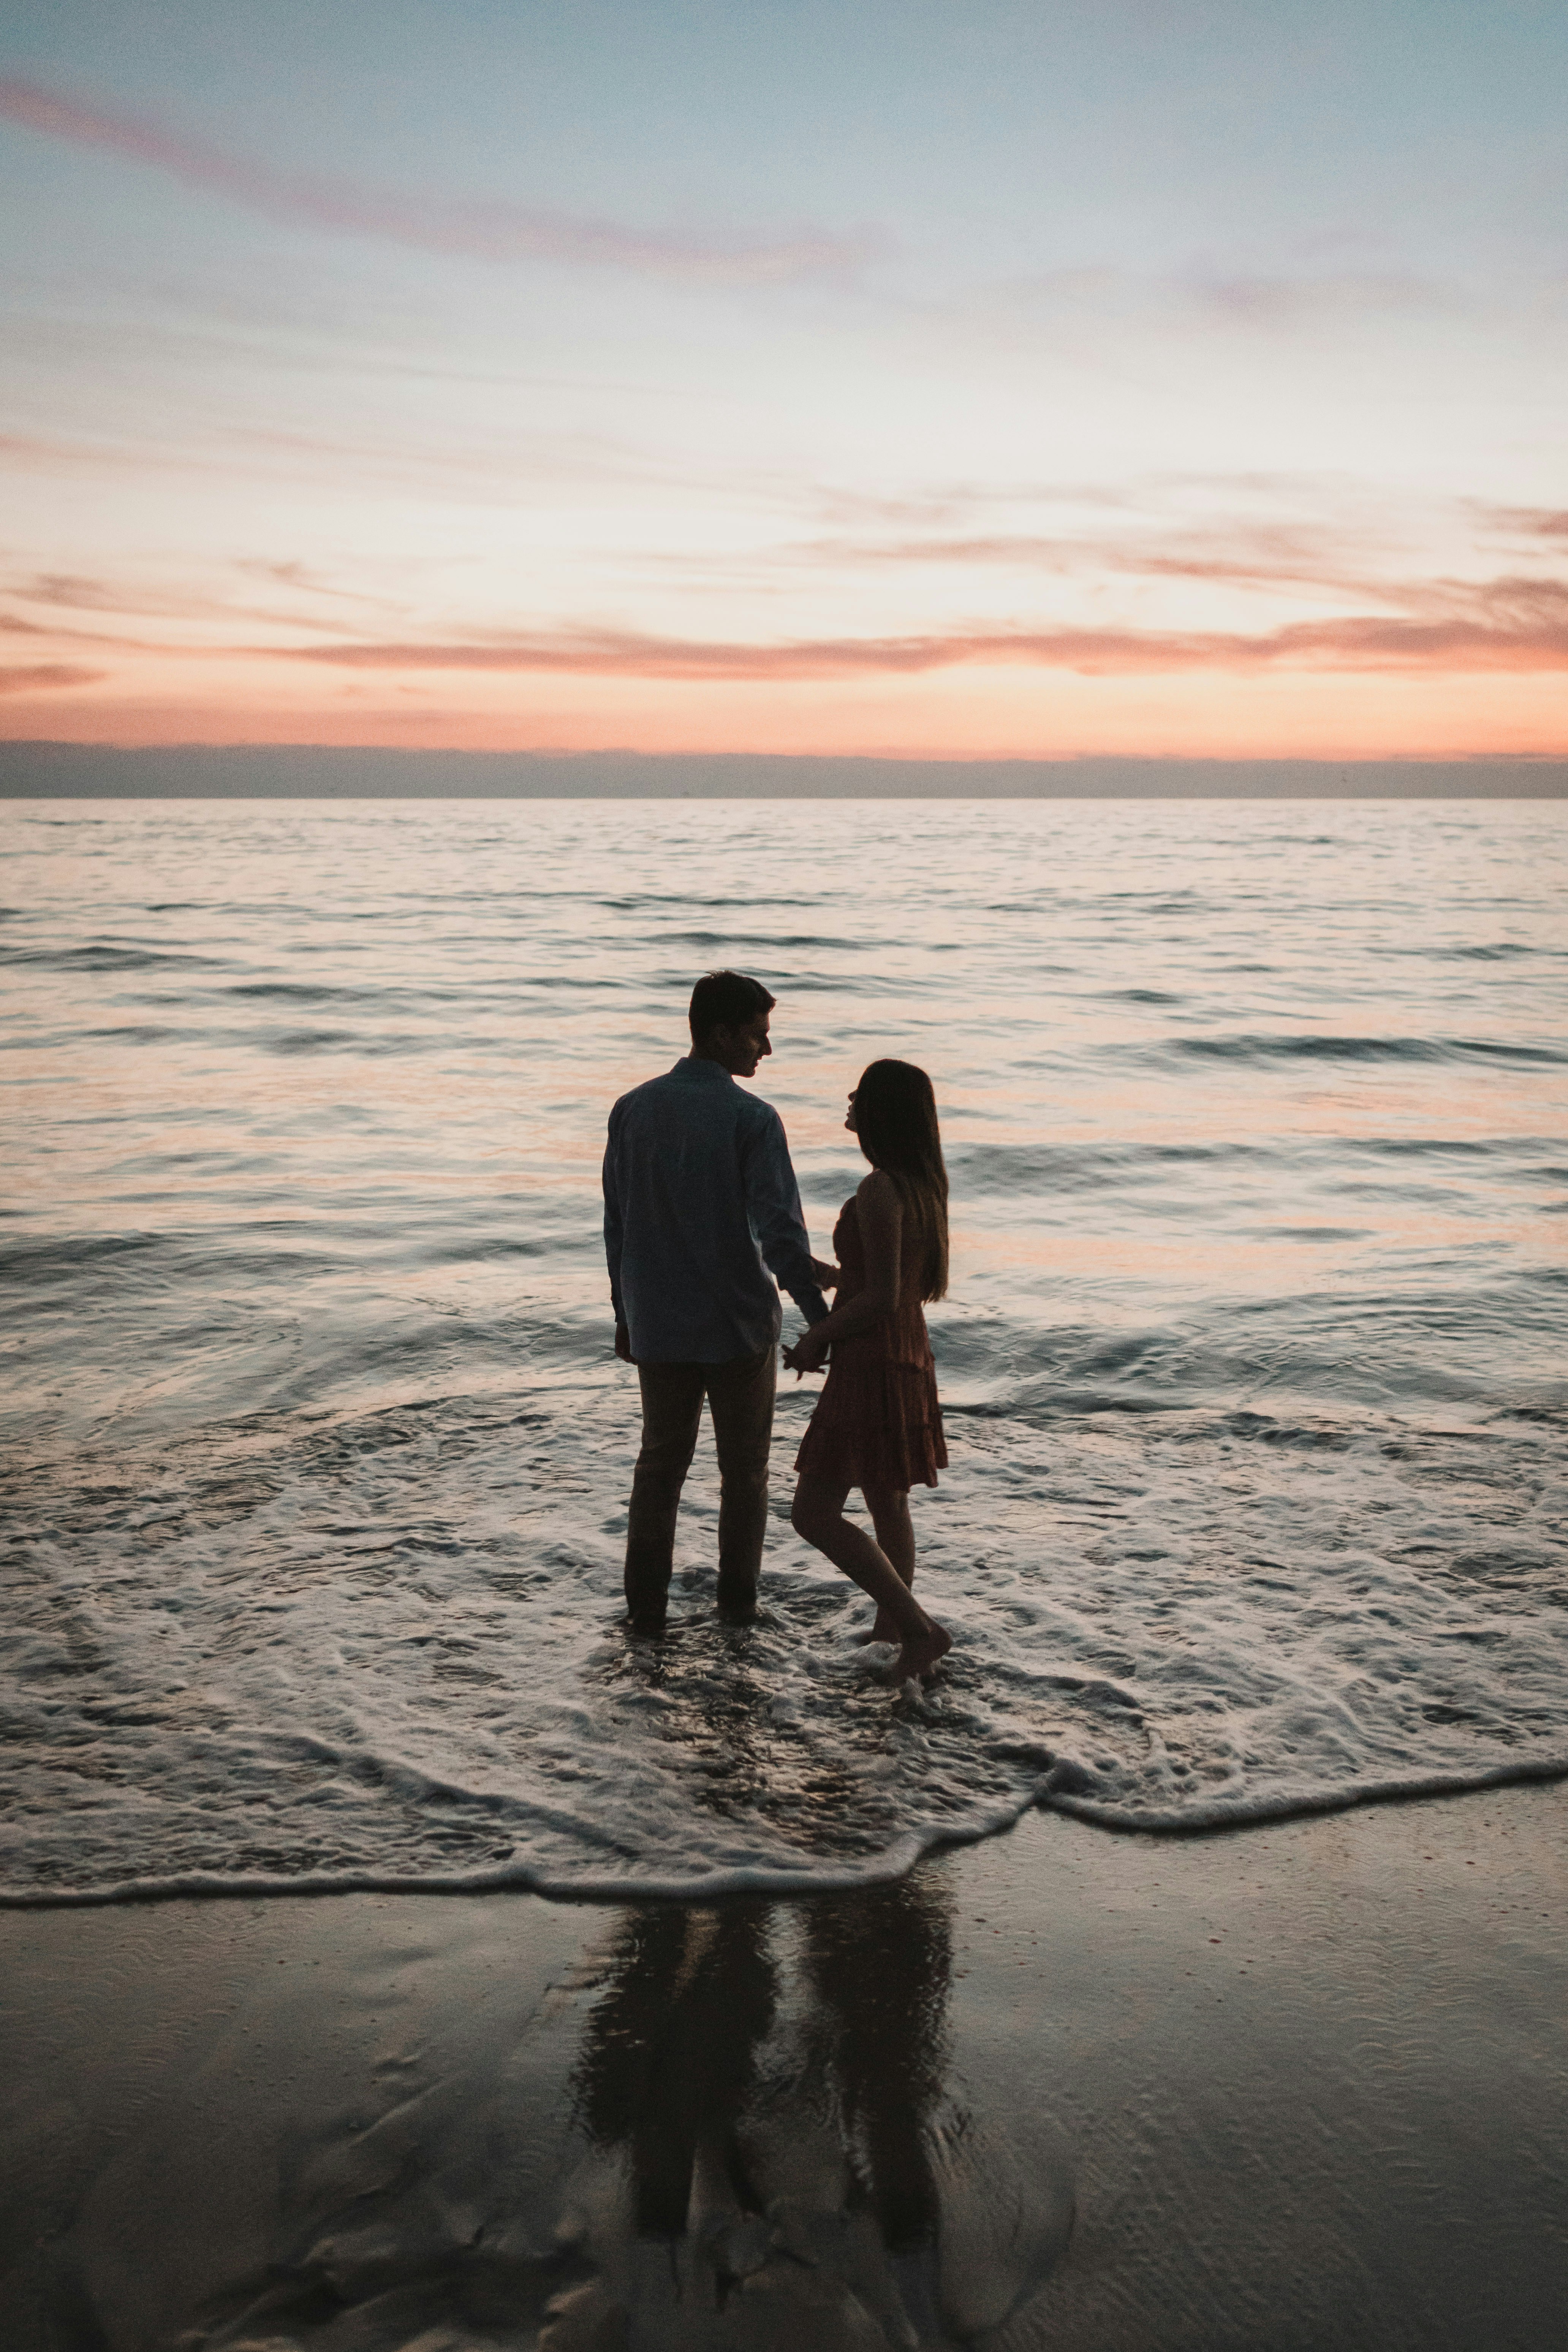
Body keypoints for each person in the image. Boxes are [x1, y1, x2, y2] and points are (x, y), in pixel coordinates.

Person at [604, 970, 832, 1635]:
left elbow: (618, 1224)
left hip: (661, 1326)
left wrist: (625, 1313)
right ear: (723, 1033)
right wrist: (821, 1323)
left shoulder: (633, 1108)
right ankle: (738, 1610)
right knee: (745, 1476)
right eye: (759, 1035)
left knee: (658, 1470)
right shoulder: (751, 1119)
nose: (766, 1049)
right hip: (737, 1328)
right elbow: (781, 1235)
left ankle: (645, 1617)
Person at [784, 1059, 953, 1686]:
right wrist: (828, 1276)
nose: (849, 1099)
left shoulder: (879, 1188)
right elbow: (892, 1280)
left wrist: (815, 1337)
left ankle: (917, 1629)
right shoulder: (920, 1186)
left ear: (882, 1112)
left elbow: (880, 1295)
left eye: (861, 1092)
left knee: (812, 1512)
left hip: (874, 1361)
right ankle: (891, 1641)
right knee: (888, 1501)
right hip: (906, 1355)